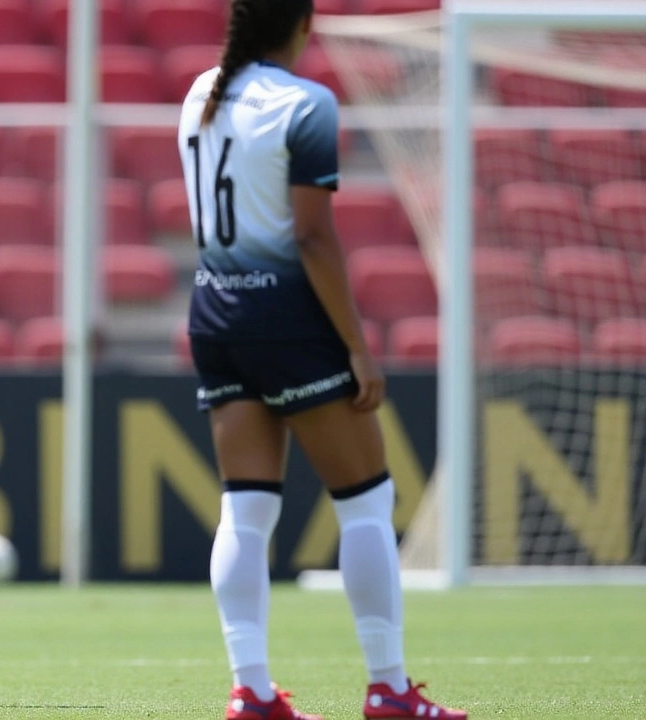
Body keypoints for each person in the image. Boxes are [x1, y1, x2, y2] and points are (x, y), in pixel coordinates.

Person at [178, 2, 467, 720]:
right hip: (287, 317)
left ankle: (250, 691)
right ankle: (389, 687)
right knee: (365, 500)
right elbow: (311, 238)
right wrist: (358, 349)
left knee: (245, 510)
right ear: (303, 26)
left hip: (215, 312)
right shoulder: (306, 102)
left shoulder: (199, 91)